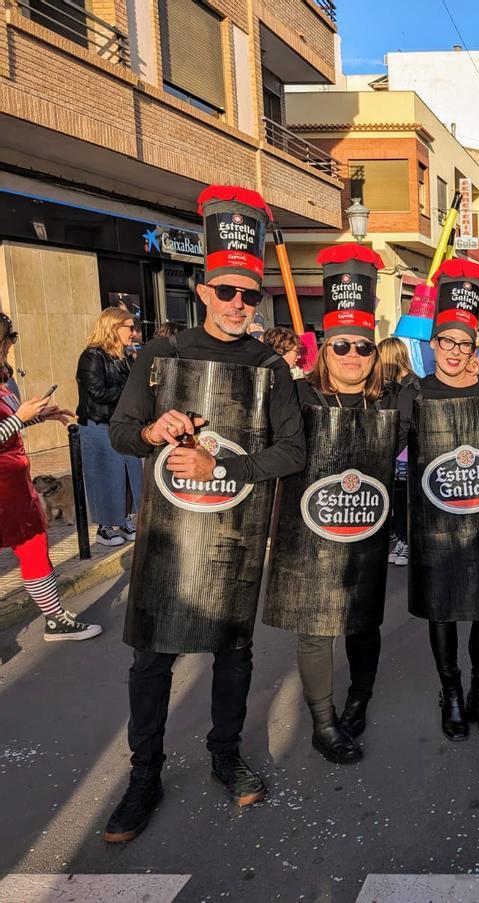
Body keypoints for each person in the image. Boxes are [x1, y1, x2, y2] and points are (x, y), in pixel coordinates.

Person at [104, 186, 305, 842]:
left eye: (250, 294)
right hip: (167, 536)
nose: (239, 304)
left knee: (234, 654)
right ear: (203, 292)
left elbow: (290, 451)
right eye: (227, 292)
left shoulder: (272, 367)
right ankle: (144, 771)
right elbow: (120, 432)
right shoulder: (161, 357)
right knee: (152, 660)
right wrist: (154, 430)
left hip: (235, 537)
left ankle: (224, 752)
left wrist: (221, 468)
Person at [263, 244, 398, 765]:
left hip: (365, 531)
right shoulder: (297, 397)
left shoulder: (388, 402)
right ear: (324, 348)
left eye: (363, 349)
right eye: (341, 347)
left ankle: (358, 698)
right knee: (315, 628)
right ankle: (323, 722)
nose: (352, 358)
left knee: (363, 622)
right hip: (307, 535)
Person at [405, 258, 479, 742]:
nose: (453, 351)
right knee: (442, 610)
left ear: (475, 346)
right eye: (445, 342)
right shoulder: (415, 392)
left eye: (462, 343)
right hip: (434, 522)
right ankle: (450, 693)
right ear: (433, 344)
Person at [0, 313, 100, 642]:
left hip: (13, 483)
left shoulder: (3, 378)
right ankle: (55, 619)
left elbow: (8, 429)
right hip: (4, 486)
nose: (14, 342)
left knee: (33, 546)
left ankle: (55, 618)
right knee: (31, 546)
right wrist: (21, 418)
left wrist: (37, 417)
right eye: (9, 335)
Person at [75, 308, 142, 547]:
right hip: (98, 424)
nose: (134, 333)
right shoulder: (92, 356)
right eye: (130, 328)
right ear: (113, 327)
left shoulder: (123, 356)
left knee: (129, 471)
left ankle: (124, 519)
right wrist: (129, 392)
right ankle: (105, 526)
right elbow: (97, 393)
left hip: (122, 423)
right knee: (105, 474)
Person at [378, 336, 417, 566]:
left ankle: (406, 540)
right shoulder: (400, 386)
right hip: (401, 451)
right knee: (399, 499)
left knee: (404, 499)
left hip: (404, 451)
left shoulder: (410, 386)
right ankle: (401, 538)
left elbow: (403, 423)